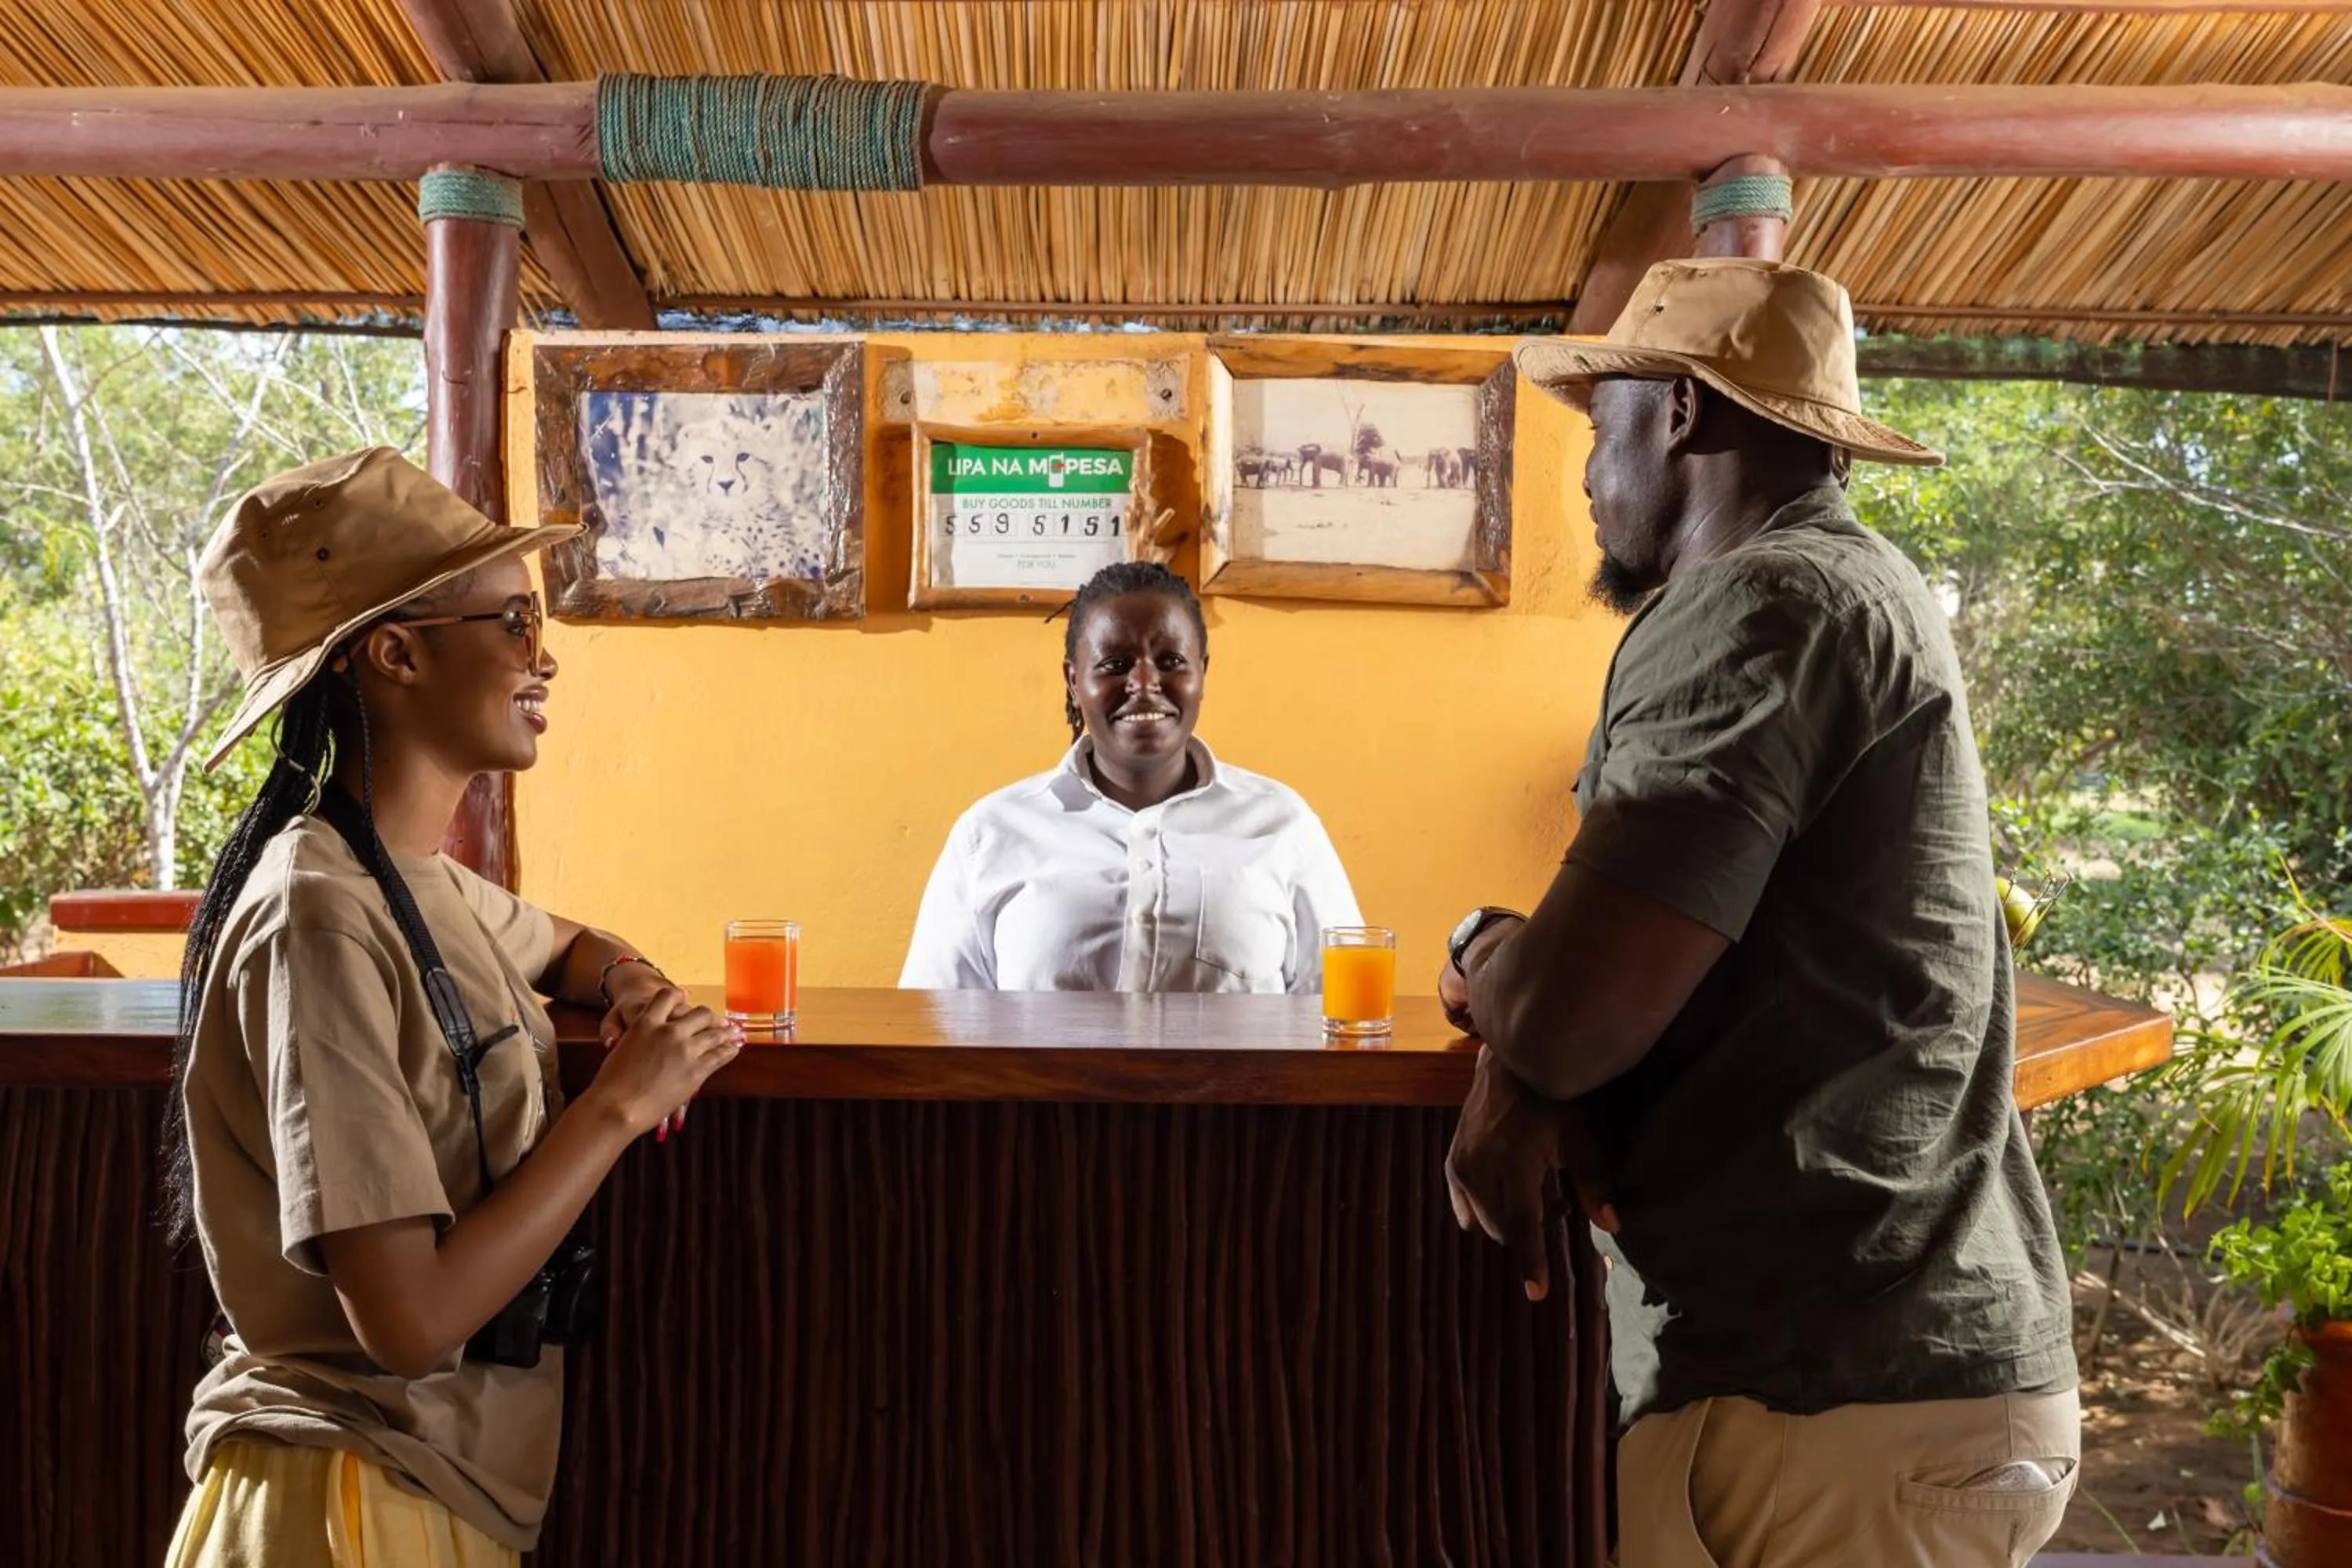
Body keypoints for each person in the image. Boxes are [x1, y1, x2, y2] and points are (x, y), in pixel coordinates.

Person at [1438, 260, 2079, 1568]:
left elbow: (1565, 1017)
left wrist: (1480, 951)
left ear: (1680, 411)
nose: (1587, 471)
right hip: (1895, 1389)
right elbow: (1659, 984)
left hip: (1827, 1411)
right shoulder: (1860, 587)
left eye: (1602, 421)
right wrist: (1535, 1045)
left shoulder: (1757, 604)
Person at [164, 448, 742, 1566]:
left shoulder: (407, 878)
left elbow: (569, 945)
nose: (544, 658)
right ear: (397, 654)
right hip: (345, 1506)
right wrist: (617, 1108)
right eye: (515, 622)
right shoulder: (319, 914)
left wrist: (627, 982)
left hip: (413, 1491)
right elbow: (411, 1321)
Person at [900, 561, 1360, 992]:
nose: (1143, 684)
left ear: (1202, 672)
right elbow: (934, 1024)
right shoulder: (991, 833)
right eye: (1115, 665)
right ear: (1073, 681)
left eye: (1171, 661)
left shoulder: (1283, 823)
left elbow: (1343, 1014)